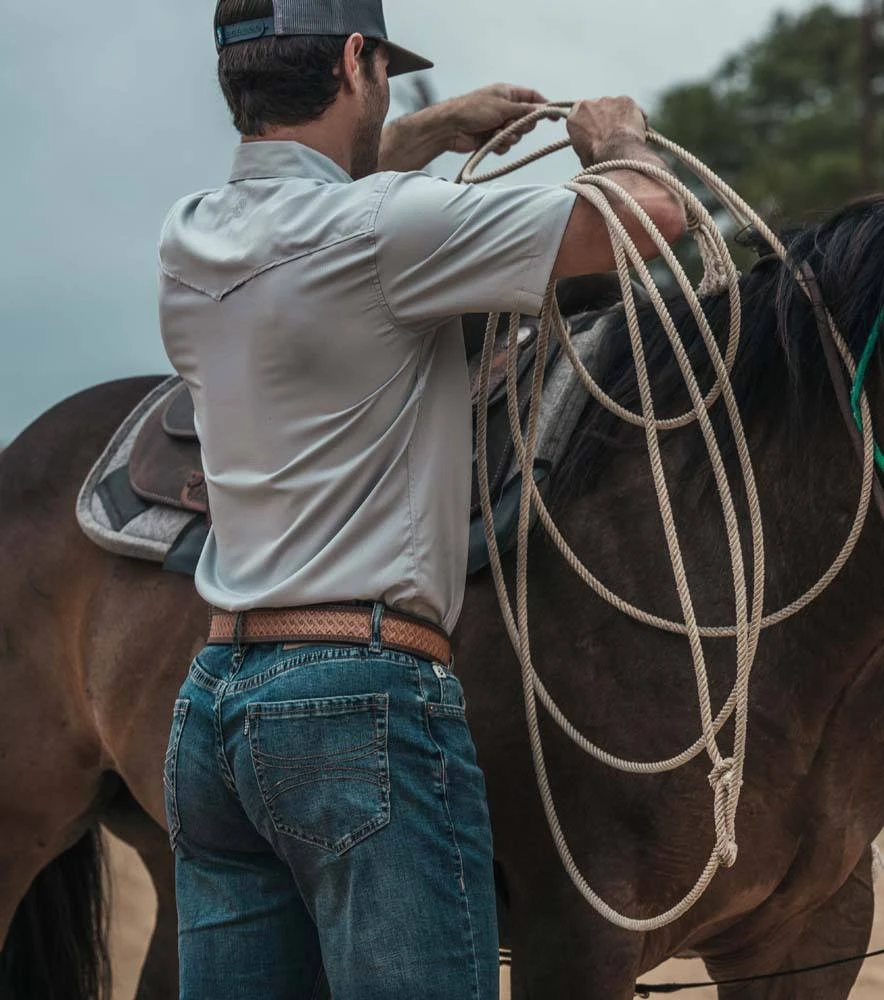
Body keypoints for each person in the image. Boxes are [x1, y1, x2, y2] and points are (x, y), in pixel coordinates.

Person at [158, 1, 685, 998]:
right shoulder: (387, 227)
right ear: (357, 59)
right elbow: (644, 218)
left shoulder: (190, 236)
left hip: (215, 705)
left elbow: (320, 207)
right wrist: (617, 139)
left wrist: (419, 135)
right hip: (361, 696)